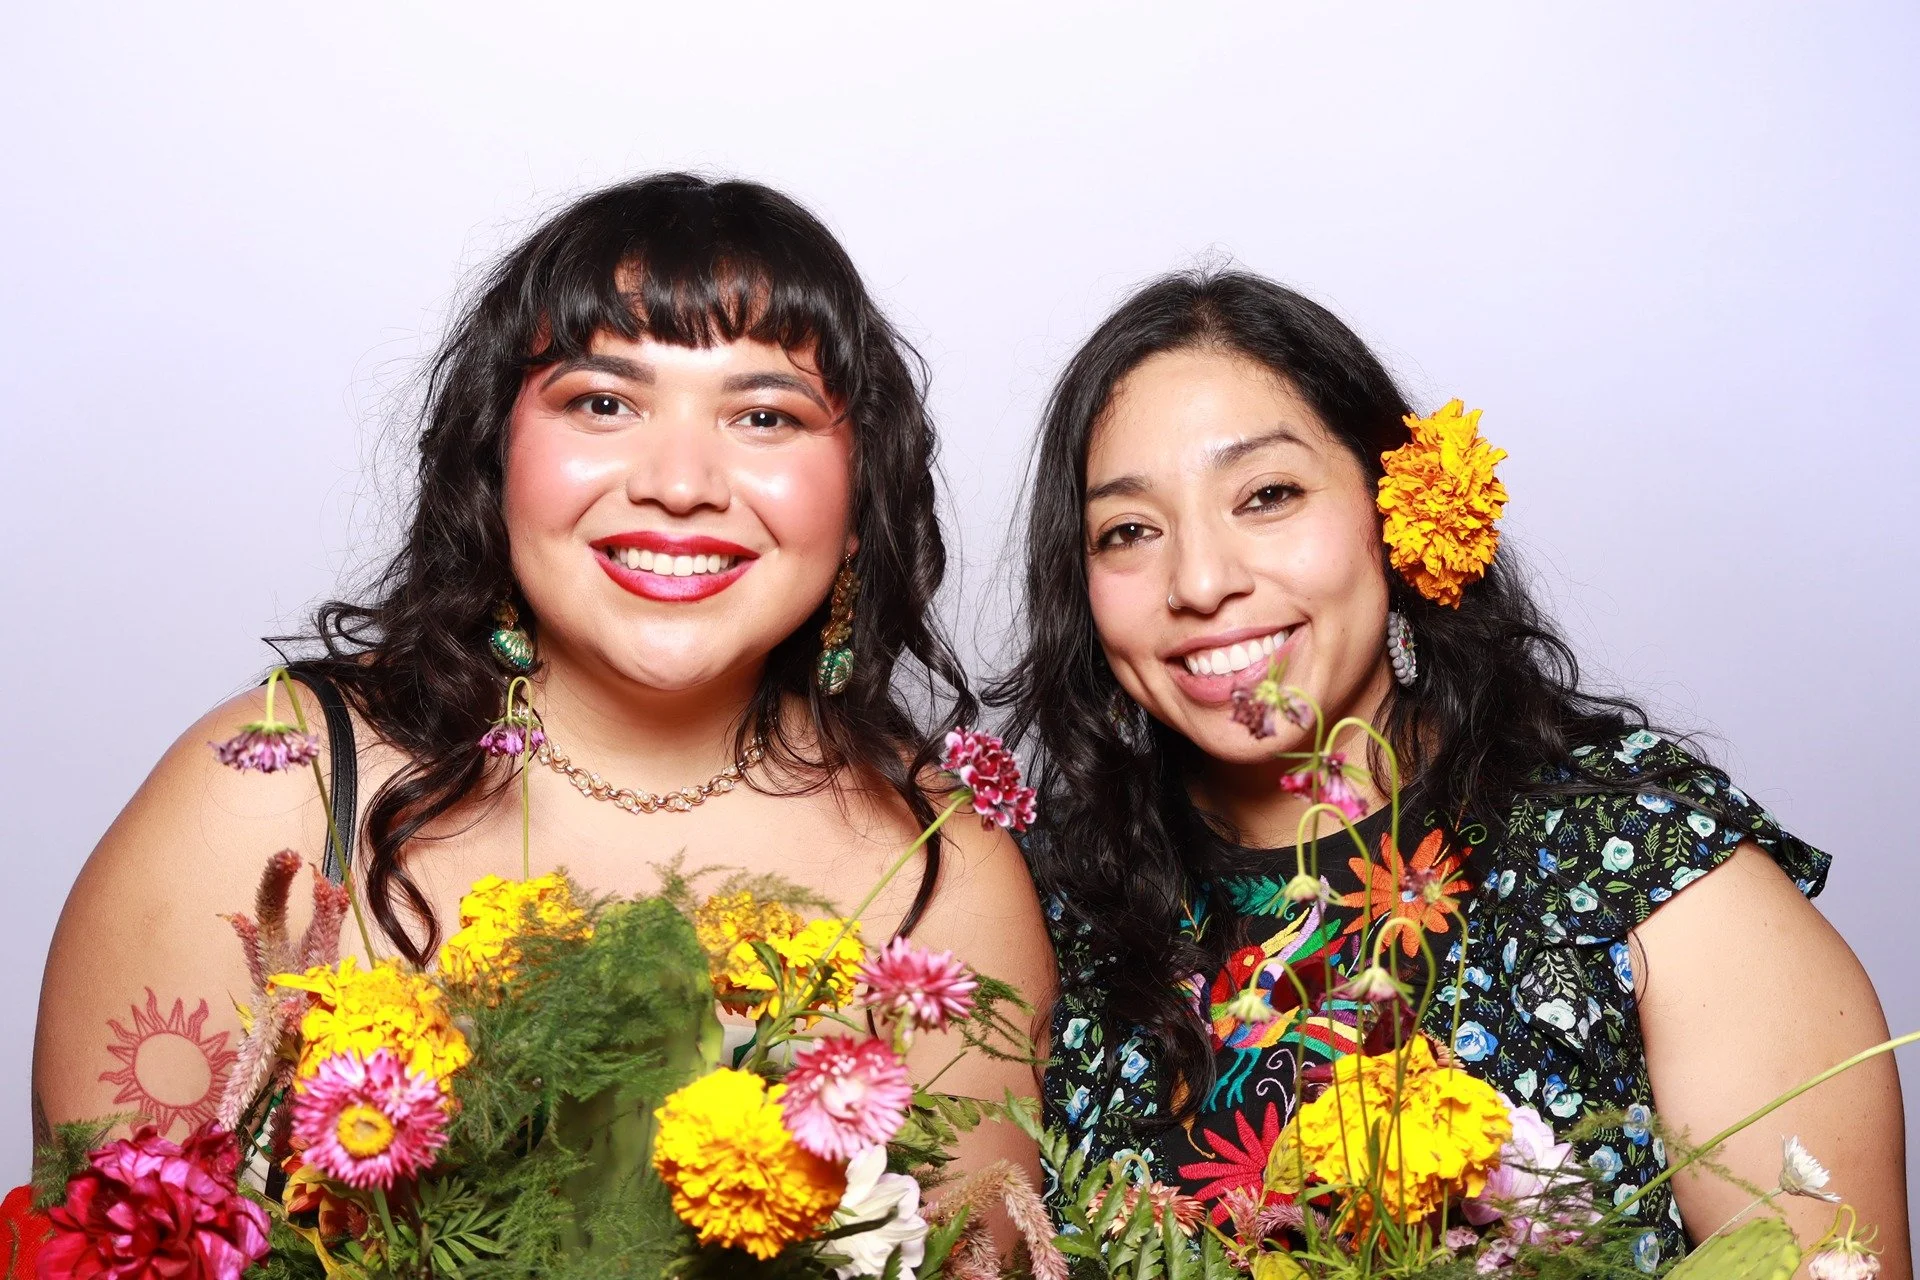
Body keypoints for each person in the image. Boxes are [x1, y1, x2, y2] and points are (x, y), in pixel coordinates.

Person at [34, 174, 1054, 1198]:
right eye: (603, 402)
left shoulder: (945, 869)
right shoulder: (274, 793)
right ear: (495, 450)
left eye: (765, 416)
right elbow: (111, 1238)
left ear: (863, 487)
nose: (681, 481)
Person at [993, 269, 1908, 1267]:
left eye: (1268, 495)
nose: (1203, 581)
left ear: (1397, 508)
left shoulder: (1647, 869)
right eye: (1128, 530)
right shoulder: (1035, 913)